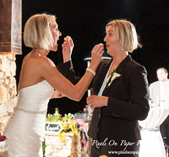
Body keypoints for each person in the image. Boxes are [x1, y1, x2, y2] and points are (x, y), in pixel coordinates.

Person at [4, 13, 103, 156]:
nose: (60, 33)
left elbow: (27, 94)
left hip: (27, 130)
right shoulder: (42, 63)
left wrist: (52, 93)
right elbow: (76, 94)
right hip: (24, 134)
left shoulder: (31, 58)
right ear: (44, 32)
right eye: (56, 29)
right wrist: (93, 65)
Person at [58, 19, 149, 157]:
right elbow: (76, 87)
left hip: (122, 143)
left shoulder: (135, 70)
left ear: (123, 38)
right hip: (97, 140)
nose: (105, 39)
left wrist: (107, 101)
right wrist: (67, 58)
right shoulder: (102, 66)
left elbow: (142, 111)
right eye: (106, 34)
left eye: (110, 34)